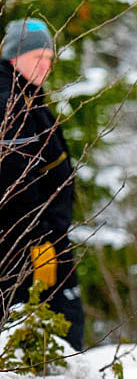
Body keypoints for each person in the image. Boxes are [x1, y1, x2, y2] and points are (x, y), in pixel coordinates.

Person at [0, 18, 84, 350]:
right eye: (38, 57)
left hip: (41, 237)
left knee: (56, 326)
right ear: (14, 57)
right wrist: (39, 240)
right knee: (52, 326)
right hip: (27, 244)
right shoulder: (9, 102)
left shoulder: (27, 95)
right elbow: (15, 182)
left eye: (49, 58)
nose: (46, 66)